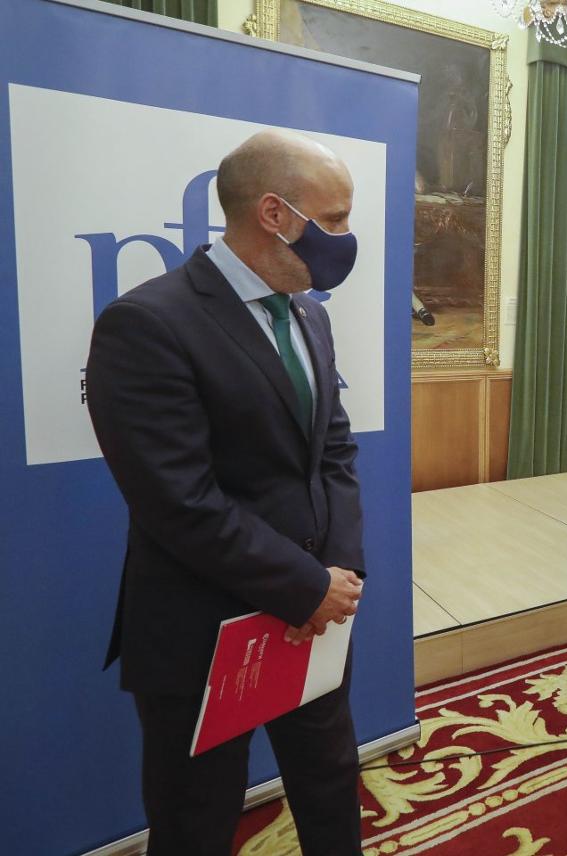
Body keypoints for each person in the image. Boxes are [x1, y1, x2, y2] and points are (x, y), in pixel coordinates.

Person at [85, 130, 368, 855]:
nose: (345, 236)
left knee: (331, 784)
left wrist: (338, 575)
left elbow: (332, 451)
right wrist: (302, 583)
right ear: (275, 213)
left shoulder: (310, 312)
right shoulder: (147, 323)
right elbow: (176, 500)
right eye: (334, 219)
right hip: (203, 626)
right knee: (197, 821)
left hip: (314, 616)